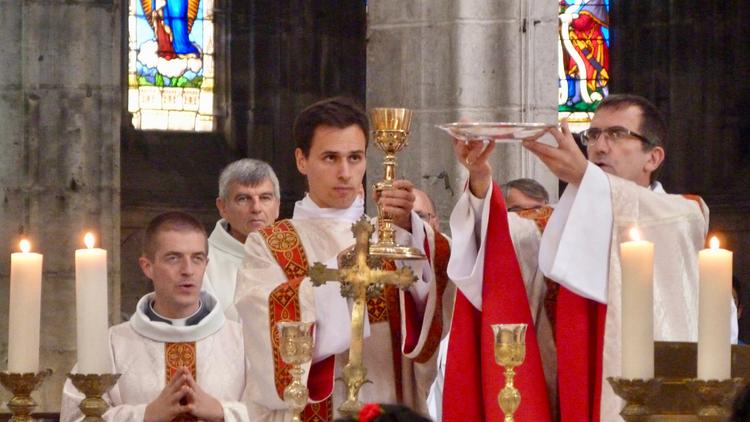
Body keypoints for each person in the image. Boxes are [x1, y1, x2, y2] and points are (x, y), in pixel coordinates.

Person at [446, 94, 738, 421]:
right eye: (593, 135)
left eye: (616, 134)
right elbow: (491, 255)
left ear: (653, 158)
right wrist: (480, 179)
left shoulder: (683, 215)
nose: (599, 146)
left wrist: (586, 178)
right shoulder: (548, 224)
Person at [233, 97, 449, 421]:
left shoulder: (393, 238)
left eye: (355, 157)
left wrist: (411, 231)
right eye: (330, 158)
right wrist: (350, 267)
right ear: (301, 160)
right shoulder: (269, 245)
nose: (345, 173)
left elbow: (436, 311)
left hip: (386, 403)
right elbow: (266, 333)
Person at [60, 211, 249, 422]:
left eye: (197, 258)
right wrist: (145, 415)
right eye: (174, 258)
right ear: (147, 267)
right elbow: (75, 416)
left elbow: (277, 413)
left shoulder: (243, 342)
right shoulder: (111, 345)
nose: (188, 270)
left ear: (206, 264)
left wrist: (223, 412)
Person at [204, 158, 281, 312]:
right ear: (223, 207)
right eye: (243, 199)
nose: (256, 208)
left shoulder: (296, 256)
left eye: (265, 197)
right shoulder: (201, 262)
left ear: (278, 205)